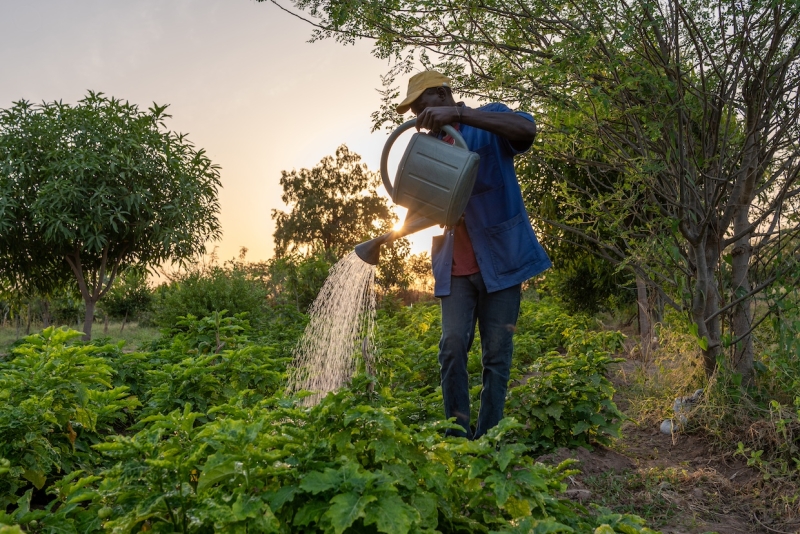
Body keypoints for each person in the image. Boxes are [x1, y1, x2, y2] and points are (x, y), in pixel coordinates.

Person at [396, 70, 552, 439]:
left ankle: (489, 438)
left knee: (496, 356)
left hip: (502, 261)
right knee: (451, 348)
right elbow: (419, 211)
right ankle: (457, 438)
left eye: (423, 106)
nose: (421, 117)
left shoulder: (488, 120)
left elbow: (526, 130)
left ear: (444, 95)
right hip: (456, 267)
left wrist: (461, 117)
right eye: (415, 111)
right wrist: (387, 237)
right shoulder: (432, 148)